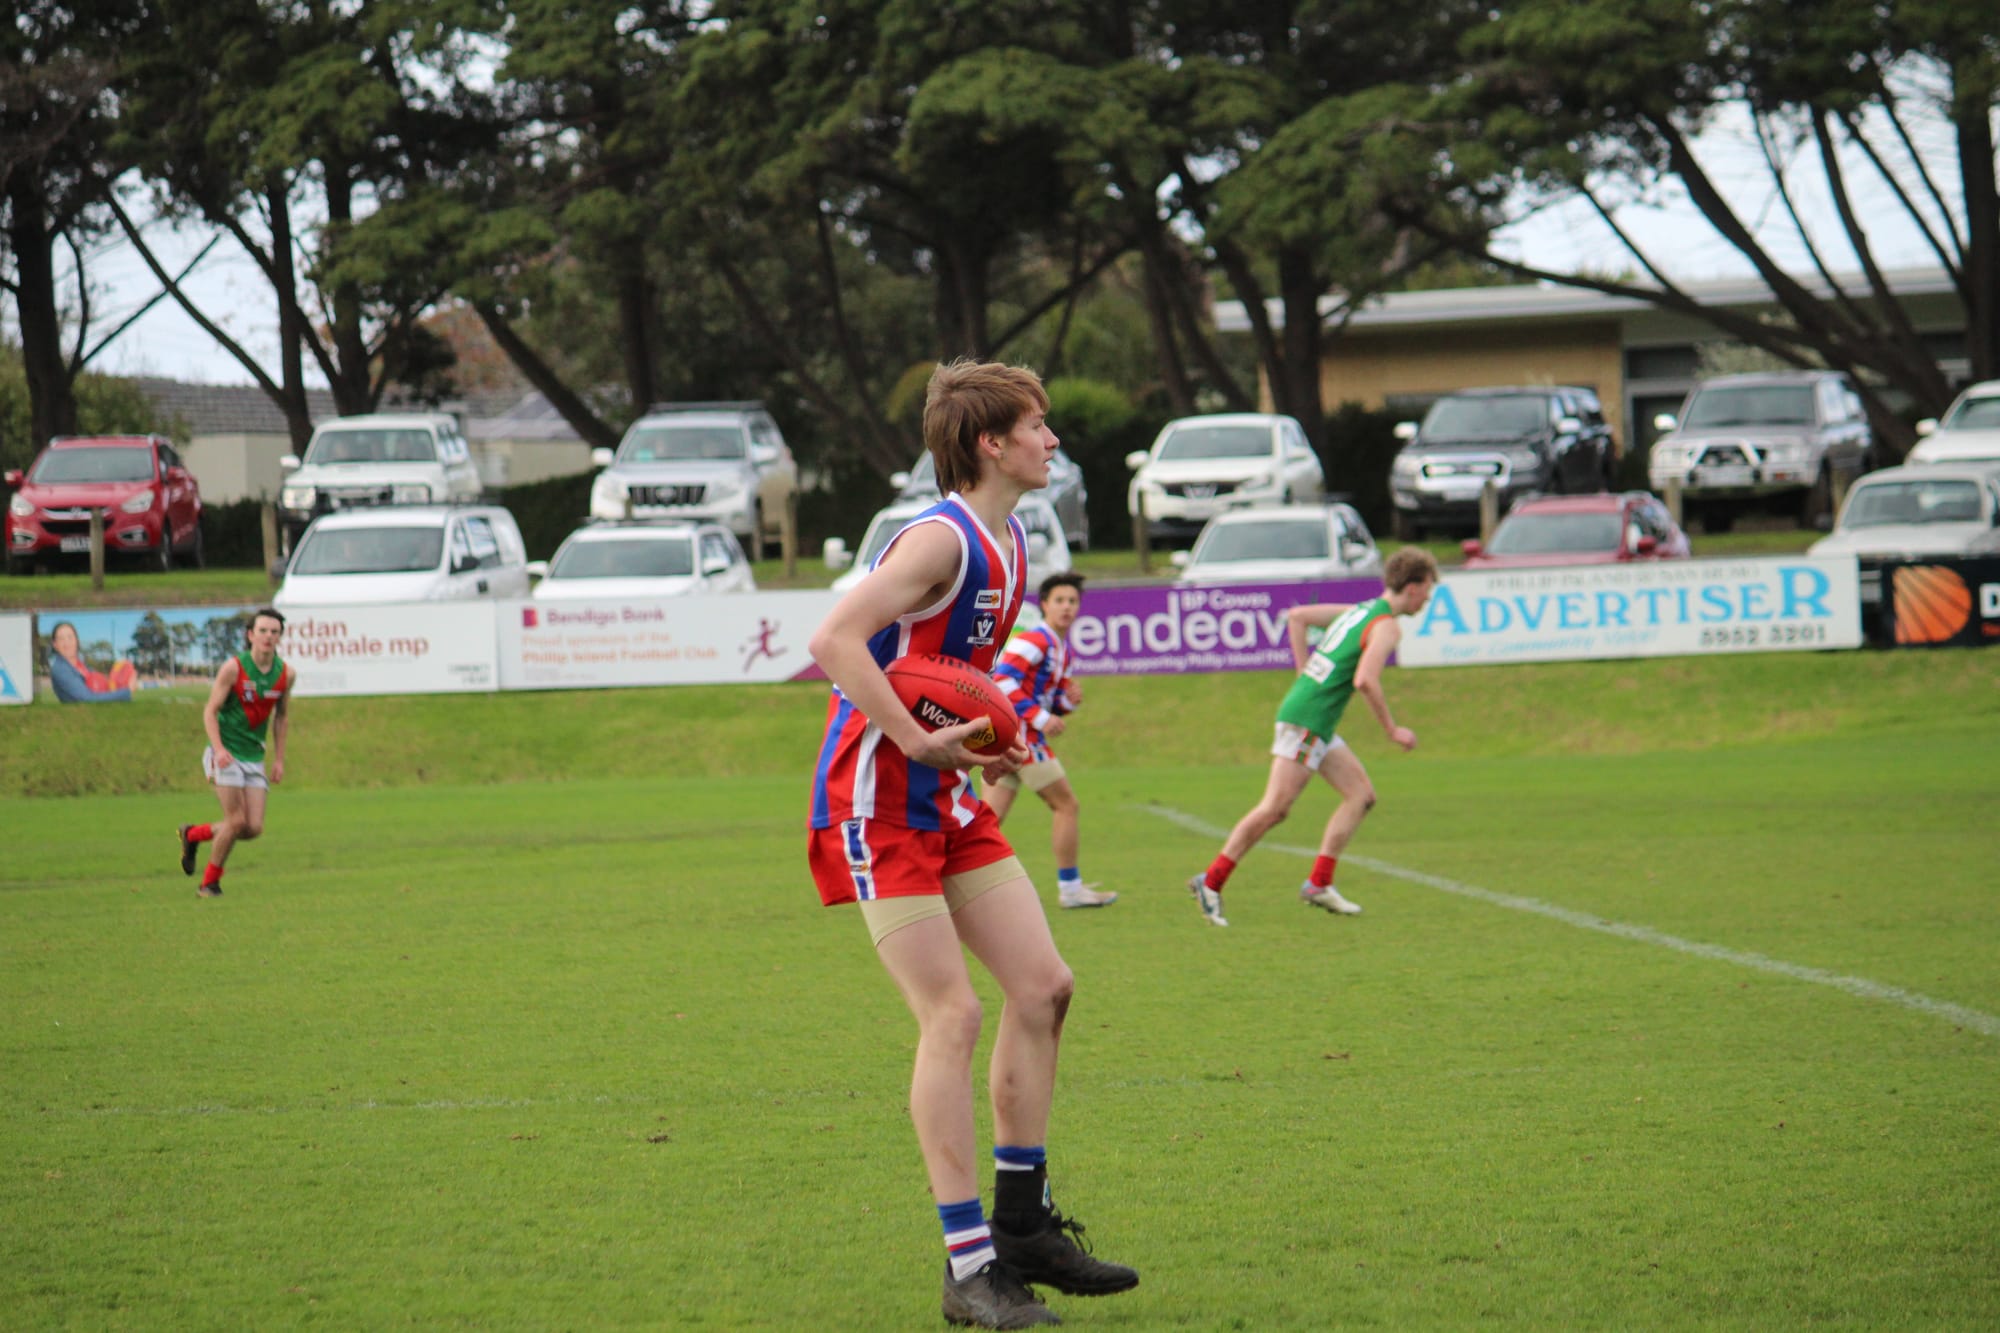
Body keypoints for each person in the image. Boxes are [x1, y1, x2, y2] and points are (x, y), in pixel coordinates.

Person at [806, 360, 1137, 1329]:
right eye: (1037, 425)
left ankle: (1022, 1226)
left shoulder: (1013, 539)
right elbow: (834, 640)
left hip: (945, 799)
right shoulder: (937, 539)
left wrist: (998, 737)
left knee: (1044, 987)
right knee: (950, 1016)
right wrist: (914, 742)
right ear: (990, 443)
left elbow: (955, 676)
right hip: (878, 802)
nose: (1052, 439)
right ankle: (968, 1267)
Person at [1186, 548, 1440, 927]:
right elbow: (1365, 680)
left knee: (1361, 795)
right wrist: (1392, 729)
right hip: (1309, 720)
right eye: (1428, 591)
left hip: (1314, 717)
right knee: (1275, 808)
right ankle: (1211, 881)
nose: (1427, 600)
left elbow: (1298, 616)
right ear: (1414, 587)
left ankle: (1319, 883)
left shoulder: (1360, 610)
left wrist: (1303, 673)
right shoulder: (1386, 626)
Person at [987, 573, 1114, 909]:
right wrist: (1041, 719)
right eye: (1059, 600)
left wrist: (1067, 703)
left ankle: (951, 883)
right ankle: (1070, 889)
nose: (1066, 607)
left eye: (1072, 601)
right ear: (1044, 604)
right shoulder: (1034, 640)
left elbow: (1046, 699)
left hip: (1008, 740)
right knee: (1067, 806)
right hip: (1023, 739)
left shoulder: (1061, 649)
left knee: (986, 823)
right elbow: (1001, 681)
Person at [177, 609, 295, 899]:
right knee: (236, 821)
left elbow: (281, 717)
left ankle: (192, 835)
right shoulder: (233, 669)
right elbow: (210, 711)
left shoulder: (286, 675)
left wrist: (279, 759)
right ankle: (209, 885)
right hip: (226, 753)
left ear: (280, 637)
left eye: (274, 632)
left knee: (253, 828)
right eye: (263, 631)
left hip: (254, 756)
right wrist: (218, 749)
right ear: (250, 635)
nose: (268, 636)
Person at [46, 621, 137, 703]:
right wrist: (127, 691)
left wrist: (116, 682)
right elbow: (87, 699)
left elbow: (100, 686)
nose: (67, 643)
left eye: (70, 637)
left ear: (77, 640)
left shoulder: (82, 666)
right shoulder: (60, 669)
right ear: (55, 644)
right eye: (61, 639)